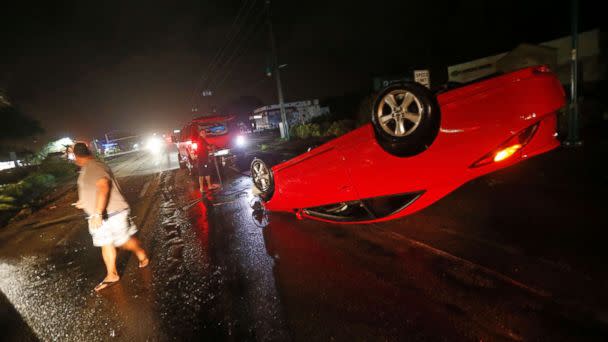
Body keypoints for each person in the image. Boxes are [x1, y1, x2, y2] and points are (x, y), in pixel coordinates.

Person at [72, 142, 149, 292]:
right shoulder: (87, 169)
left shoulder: (94, 166)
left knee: (123, 242)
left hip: (112, 213)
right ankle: (112, 274)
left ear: (76, 156)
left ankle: (141, 253)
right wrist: (84, 202)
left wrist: (98, 212)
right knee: (105, 243)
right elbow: (93, 189)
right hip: (98, 216)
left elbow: (103, 186)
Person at [197, 129, 219, 193]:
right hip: (203, 160)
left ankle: (206, 187)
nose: (204, 134)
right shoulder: (201, 140)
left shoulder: (202, 140)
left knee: (205, 173)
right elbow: (208, 147)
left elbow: (207, 147)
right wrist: (213, 146)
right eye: (202, 133)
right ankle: (206, 187)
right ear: (200, 134)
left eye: (204, 133)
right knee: (204, 173)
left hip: (202, 159)